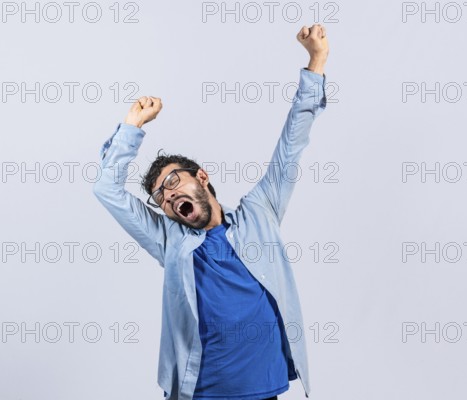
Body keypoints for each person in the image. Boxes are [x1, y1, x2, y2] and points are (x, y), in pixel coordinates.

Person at [93, 24, 329, 400]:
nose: (167, 198)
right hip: (203, 393)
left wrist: (316, 61)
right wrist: (132, 127)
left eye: (172, 183)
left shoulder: (260, 212)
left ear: (201, 177)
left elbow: (291, 143)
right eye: (160, 198)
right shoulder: (169, 239)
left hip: (265, 388)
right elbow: (107, 189)